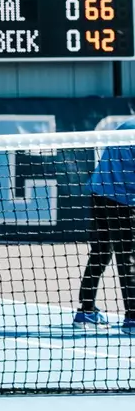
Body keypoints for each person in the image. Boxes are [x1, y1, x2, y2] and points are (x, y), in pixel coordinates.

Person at [76, 118, 135, 331]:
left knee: (100, 252)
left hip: (99, 193)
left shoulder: (126, 125)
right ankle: (133, 318)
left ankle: (86, 311)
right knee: (127, 257)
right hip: (122, 200)